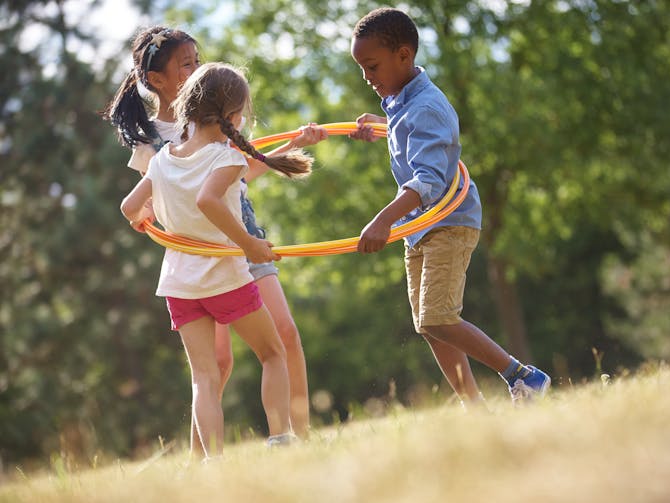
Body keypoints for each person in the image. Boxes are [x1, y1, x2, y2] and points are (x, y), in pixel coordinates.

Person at [103, 26, 321, 444]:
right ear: (155, 79)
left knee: (284, 334)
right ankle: (204, 457)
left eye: (197, 61)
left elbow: (235, 179)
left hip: (239, 237)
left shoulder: (212, 119)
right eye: (186, 64)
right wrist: (148, 218)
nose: (197, 69)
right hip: (201, 251)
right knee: (217, 363)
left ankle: (300, 435)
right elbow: (156, 204)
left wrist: (290, 145)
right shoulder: (154, 143)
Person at [348, 8, 551, 404]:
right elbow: (411, 131)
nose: (366, 77)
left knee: (439, 317)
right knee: (429, 323)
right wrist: (382, 124)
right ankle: (474, 407)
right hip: (419, 226)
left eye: (371, 66)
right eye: (361, 68)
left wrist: (382, 220)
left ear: (404, 56)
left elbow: (427, 181)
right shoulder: (403, 100)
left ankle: (522, 376)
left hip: (447, 222)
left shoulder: (425, 106)